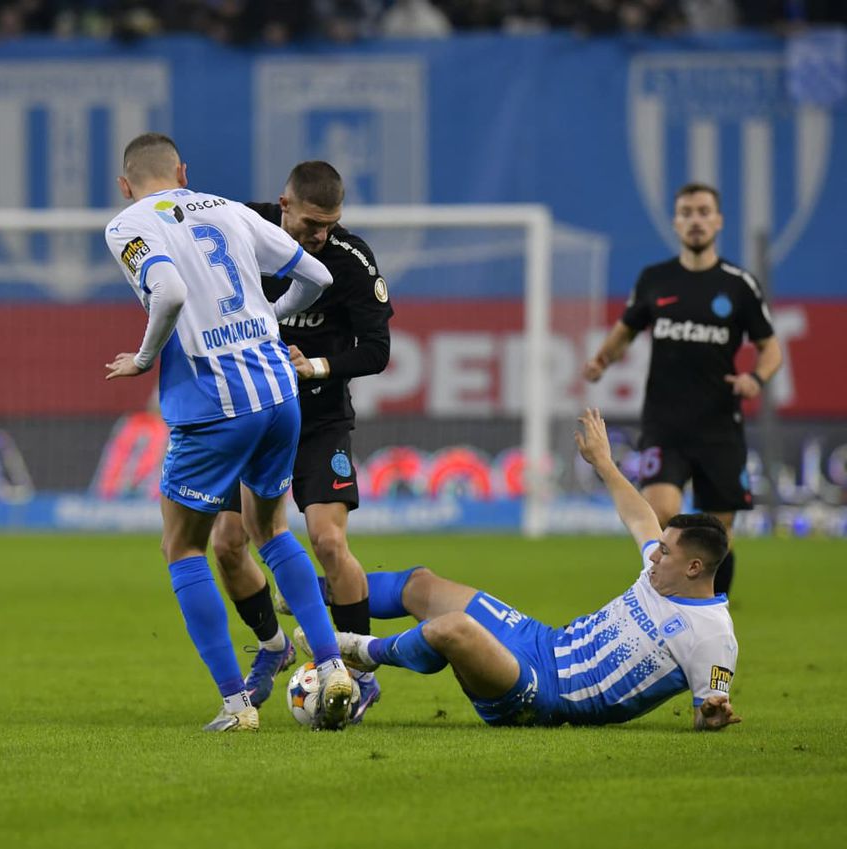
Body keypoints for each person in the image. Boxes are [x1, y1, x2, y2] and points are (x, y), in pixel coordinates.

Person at [103, 133, 355, 732]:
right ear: (183, 172)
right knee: (271, 530)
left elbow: (168, 291)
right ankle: (332, 666)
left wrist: (144, 358)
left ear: (125, 184)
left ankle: (236, 706)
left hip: (215, 406)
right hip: (279, 392)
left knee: (182, 547)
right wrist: (270, 317)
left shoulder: (127, 225)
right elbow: (317, 274)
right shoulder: (228, 208)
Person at [296, 408, 741, 731]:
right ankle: (312, 593)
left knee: (454, 628)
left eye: (665, 552)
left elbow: (710, 708)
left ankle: (357, 653)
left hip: (546, 696)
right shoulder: (661, 572)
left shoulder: (713, 635)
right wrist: (603, 462)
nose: (654, 556)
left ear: (694, 567)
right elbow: (641, 515)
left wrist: (712, 715)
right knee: (421, 585)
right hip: (543, 642)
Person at [209, 161, 392, 721]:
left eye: (330, 224)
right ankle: (273, 646)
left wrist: (315, 366)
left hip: (318, 421)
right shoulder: (241, 230)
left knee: (329, 542)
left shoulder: (350, 259)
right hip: (250, 415)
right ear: (283, 204)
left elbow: (377, 350)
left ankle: (358, 674)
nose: (321, 235)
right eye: (312, 224)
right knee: (227, 544)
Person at [583, 183, 782, 596]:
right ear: (675, 222)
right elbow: (625, 331)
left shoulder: (739, 284)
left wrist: (756, 379)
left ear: (718, 221)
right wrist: (602, 359)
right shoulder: (655, 280)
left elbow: (771, 349)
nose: (696, 220)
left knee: (718, 529)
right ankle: (665, 602)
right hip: (665, 422)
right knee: (661, 512)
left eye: (704, 211)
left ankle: (715, 605)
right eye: (687, 212)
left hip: (718, 425)